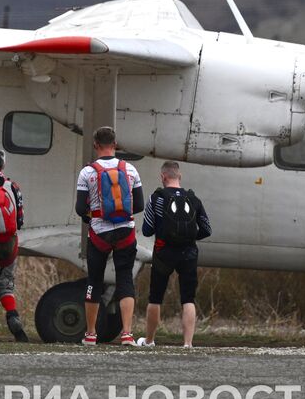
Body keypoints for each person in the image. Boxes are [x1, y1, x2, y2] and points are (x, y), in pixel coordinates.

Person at [75, 126, 143, 346]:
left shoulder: (87, 172)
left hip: (99, 233)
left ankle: (91, 334)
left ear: (95, 145)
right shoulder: (130, 170)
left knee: (94, 280)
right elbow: (139, 205)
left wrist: (91, 218)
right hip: (125, 232)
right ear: (115, 144)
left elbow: (79, 208)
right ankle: (127, 334)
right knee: (125, 279)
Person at [140, 161, 212, 348]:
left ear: (163, 177)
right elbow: (207, 229)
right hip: (188, 253)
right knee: (188, 299)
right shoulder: (193, 199)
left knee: (155, 297)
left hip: (163, 252)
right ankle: (187, 343)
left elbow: (146, 230)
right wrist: (190, 237)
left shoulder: (156, 198)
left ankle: (149, 340)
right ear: (179, 176)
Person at [0, 147, 29, 343]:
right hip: (9, 243)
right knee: (5, 285)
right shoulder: (13, 186)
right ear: (3, 165)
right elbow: (19, 219)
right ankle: (13, 316)